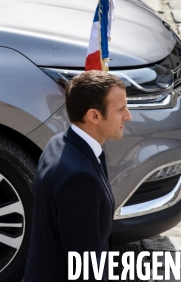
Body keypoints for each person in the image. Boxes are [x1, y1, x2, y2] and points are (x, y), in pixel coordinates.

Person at [24, 71, 132, 282]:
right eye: (121, 110)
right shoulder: (80, 178)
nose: (128, 115)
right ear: (94, 116)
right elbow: (83, 267)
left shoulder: (59, 142)